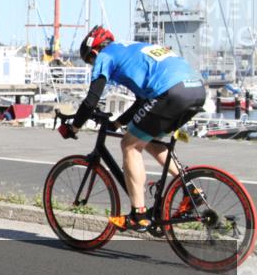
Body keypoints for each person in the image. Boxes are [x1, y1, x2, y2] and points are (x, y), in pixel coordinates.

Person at [59, 25, 206, 232]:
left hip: (170, 91)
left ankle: (138, 214)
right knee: (150, 141)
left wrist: (74, 128)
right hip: (196, 90)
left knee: (129, 145)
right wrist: (117, 123)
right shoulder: (132, 49)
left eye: (90, 61)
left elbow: (92, 100)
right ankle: (192, 189)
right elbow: (141, 102)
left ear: (94, 52)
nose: (93, 66)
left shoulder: (105, 56)